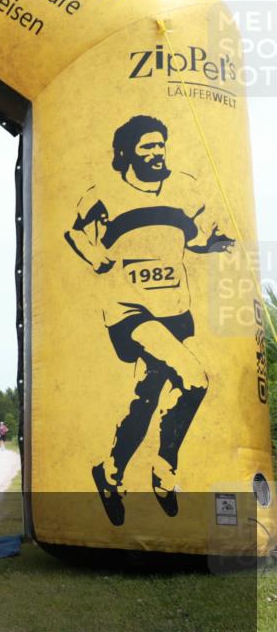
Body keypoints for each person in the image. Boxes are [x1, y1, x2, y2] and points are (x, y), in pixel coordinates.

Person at [64, 115, 233, 526]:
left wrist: (212, 245)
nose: (157, 153)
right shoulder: (104, 193)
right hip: (129, 311)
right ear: (126, 153)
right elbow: (76, 232)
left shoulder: (183, 188)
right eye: (147, 147)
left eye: (160, 145)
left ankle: (109, 472)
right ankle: (165, 468)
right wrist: (95, 256)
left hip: (175, 309)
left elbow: (191, 238)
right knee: (195, 378)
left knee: (145, 398)